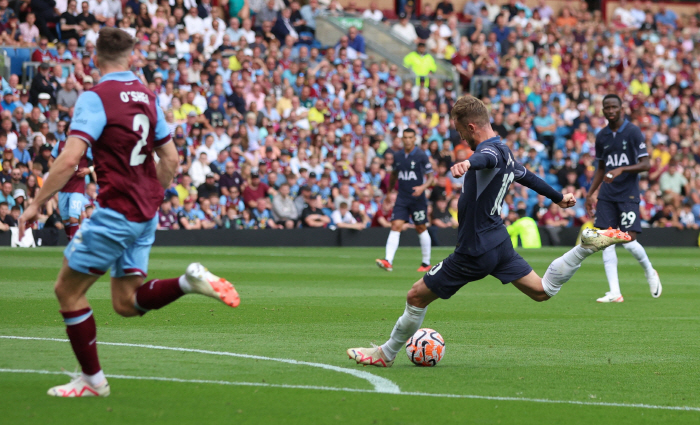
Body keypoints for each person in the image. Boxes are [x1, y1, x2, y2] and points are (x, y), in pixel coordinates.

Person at [18, 28, 240, 398]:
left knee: (67, 292)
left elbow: (71, 158)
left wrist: (36, 202)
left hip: (115, 212)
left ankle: (93, 382)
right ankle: (190, 281)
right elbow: (170, 158)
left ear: (95, 57)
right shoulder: (149, 98)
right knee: (126, 303)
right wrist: (153, 194)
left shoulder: (96, 97)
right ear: (131, 57)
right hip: (145, 213)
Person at [348, 95, 631, 368]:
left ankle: (386, 353)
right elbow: (528, 177)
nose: (461, 138)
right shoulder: (505, 151)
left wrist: (467, 163)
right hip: (498, 243)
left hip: (474, 250)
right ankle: (582, 248)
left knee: (415, 296)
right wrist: (557, 197)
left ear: (471, 126)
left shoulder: (489, 152)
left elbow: (484, 158)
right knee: (542, 290)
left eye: (461, 131)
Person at [584, 94, 661, 303]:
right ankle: (615, 292)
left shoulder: (633, 132)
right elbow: (601, 168)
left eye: (614, 107)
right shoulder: (602, 136)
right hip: (607, 196)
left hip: (628, 194)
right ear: (603, 111)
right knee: (606, 241)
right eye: (606, 107)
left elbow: (646, 164)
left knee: (629, 241)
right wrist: (590, 193)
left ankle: (649, 271)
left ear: (621, 109)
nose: (610, 111)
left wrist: (621, 169)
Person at [376, 128, 434, 273]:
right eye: (405, 137)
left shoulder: (421, 155)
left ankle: (426, 263)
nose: (407, 140)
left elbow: (431, 177)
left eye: (410, 137)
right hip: (402, 197)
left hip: (417, 198)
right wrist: (389, 192)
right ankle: (388, 260)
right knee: (395, 225)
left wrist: (422, 187)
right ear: (402, 139)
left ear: (415, 139)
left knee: (421, 228)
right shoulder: (398, 156)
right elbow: (394, 174)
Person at [51, 138, 92, 240]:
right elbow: (51, 161)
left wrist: (89, 169)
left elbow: (99, 161)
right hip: (63, 186)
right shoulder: (60, 144)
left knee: (73, 218)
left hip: (77, 186)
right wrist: (56, 170)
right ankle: (71, 242)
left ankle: (74, 246)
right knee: (65, 220)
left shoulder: (85, 145)